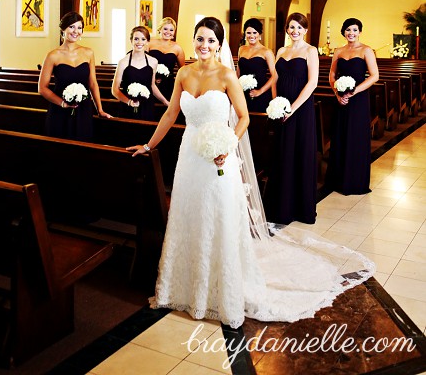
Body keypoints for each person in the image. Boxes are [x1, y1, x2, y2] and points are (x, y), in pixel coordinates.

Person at [128, 17, 372, 328]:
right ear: (194, 40)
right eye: (200, 39)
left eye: (211, 41)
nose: (204, 46)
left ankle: (222, 287)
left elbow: (243, 118)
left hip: (219, 157)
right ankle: (185, 285)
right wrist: (148, 146)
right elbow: (171, 113)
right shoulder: (184, 73)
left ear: (219, 45)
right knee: (189, 215)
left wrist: (227, 145)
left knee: (218, 217)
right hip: (189, 157)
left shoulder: (228, 76)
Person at [265, 12, 320, 225]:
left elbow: (312, 83)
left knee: (299, 152)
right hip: (281, 109)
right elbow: (275, 79)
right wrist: (275, 103)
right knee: (281, 153)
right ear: (287, 29)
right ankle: (280, 204)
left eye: (299, 27)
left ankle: (299, 206)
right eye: (291, 27)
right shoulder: (281, 50)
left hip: (300, 109)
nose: (294, 31)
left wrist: (292, 108)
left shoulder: (311, 51)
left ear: (305, 30)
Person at [39, 11, 112, 142]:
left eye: (79, 27)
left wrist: (100, 110)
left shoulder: (88, 53)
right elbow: (42, 88)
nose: (75, 31)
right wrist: (62, 103)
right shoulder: (53, 55)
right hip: (59, 111)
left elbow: (93, 84)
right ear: (63, 29)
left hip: (83, 109)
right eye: (71, 27)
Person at [326, 17, 378, 195]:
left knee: (355, 137)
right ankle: (337, 179)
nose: (351, 33)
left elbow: (374, 76)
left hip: (358, 100)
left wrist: (353, 92)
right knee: (340, 135)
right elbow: (332, 75)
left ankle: (354, 180)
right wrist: (337, 93)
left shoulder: (366, 50)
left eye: (355, 30)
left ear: (360, 32)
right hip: (341, 99)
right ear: (344, 32)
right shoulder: (338, 51)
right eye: (348, 30)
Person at [112, 25, 169, 120]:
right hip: (128, 107)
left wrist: (165, 101)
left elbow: (152, 86)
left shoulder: (153, 61)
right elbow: (114, 89)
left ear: (147, 41)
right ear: (131, 41)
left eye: (143, 39)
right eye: (136, 39)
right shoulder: (123, 62)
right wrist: (129, 102)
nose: (139, 42)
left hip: (147, 106)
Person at [236, 18, 276, 113]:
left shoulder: (267, 52)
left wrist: (260, 91)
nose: (252, 36)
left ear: (259, 34)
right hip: (243, 94)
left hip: (260, 94)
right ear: (245, 34)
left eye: (255, 32)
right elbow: (238, 73)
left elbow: (275, 76)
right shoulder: (241, 49)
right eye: (249, 33)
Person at [147, 17, 185, 102]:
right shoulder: (150, 43)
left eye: (171, 30)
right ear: (160, 29)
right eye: (165, 29)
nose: (168, 32)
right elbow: (141, 62)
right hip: (149, 82)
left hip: (168, 84)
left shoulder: (178, 48)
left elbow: (182, 70)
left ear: (174, 32)